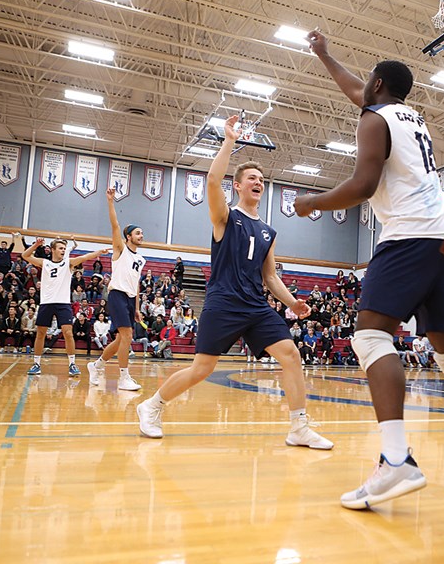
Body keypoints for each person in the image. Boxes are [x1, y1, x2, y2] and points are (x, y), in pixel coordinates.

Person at [297, 30, 444, 509]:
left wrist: (312, 202)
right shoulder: (409, 117)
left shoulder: (375, 119)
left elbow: (363, 184)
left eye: (366, 84)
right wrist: (325, 54)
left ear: (377, 85)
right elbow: (356, 90)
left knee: (370, 337)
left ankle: (396, 461)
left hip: (409, 237)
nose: (362, 90)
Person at [135, 119, 333, 453]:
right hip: (224, 302)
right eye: (252, 178)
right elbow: (213, 180)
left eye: (261, 179)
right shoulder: (225, 218)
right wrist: (229, 141)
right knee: (202, 369)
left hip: (256, 306)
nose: (258, 182)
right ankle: (151, 406)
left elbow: (269, 277)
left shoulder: (269, 231)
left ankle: (299, 426)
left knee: (291, 355)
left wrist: (291, 302)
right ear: (238, 187)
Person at [86, 189, 146, 391]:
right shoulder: (120, 249)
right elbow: (115, 225)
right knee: (127, 336)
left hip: (130, 299)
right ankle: (123, 378)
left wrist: (137, 308)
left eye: (142, 233)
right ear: (128, 236)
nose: (141, 235)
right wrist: (110, 202)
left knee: (122, 338)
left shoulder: (141, 259)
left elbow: (136, 284)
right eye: (138, 232)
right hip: (117, 295)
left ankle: (96, 366)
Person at [22, 237, 108, 376]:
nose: (63, 250)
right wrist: (36, 245)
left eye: (64, 248)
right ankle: (36, 364)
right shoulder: (45, 263)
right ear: (53, 250)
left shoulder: (68, 263)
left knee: (68, 333)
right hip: (46, 302)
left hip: (63, 303)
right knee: (41, 334)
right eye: (60, 248)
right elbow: (25, 255)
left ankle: (72, 364)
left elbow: (85, 257)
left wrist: (99, 251)